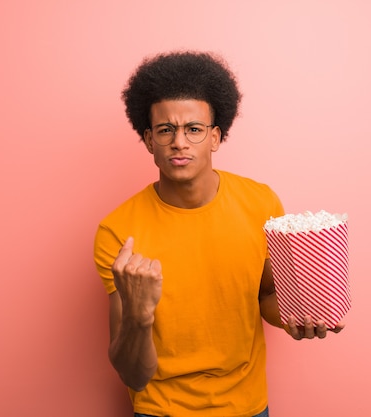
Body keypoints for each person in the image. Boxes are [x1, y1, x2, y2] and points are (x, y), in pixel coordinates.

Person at [93, 51, 344, 417]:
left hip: (248, 406)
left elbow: (268, 293)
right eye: (166, 130)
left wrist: (296, 318)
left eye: (193, 129)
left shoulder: (261, 202)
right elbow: (134, 376)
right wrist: (139, 315)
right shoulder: (117, 232)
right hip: (161, 410)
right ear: (148, 140)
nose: (179, 142)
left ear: (215, 137)